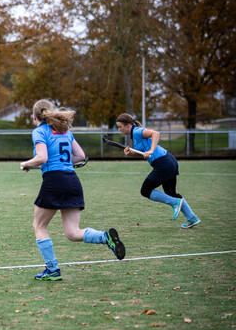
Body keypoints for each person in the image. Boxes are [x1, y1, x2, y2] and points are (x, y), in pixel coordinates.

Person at [20, 99, 126, 281]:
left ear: (34, 116)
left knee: (39, 226)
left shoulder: (39, 131)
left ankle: (52, 269)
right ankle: (105, 237)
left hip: (54, 181)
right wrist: (63, 163)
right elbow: (80, 156)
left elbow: (42, 157)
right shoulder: (64, 131)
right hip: (72, 180)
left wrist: (26, 163)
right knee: (72, 232)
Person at [116, 113, 201, 229]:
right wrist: (131, 153)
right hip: (169, 161)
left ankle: (175, 203)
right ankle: (191, 218)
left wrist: (151, 150)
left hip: (163, 163)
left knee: (145, 190)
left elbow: (156, 134)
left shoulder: (137, 131)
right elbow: (142, 152)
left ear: (127, 125)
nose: (119, 129)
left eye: (120, 127)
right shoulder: (135, 135)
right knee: (171, 193)